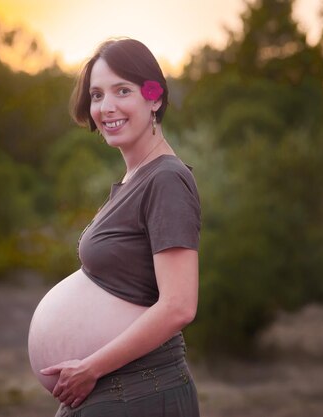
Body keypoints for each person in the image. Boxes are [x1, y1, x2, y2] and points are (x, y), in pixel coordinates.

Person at [36, 38, 201, 417]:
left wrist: (90, 367)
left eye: (122, 91)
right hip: (113, 392)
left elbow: (179, 306)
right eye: (96, 95)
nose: (105, 107)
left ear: (154, 97)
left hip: (141, 392)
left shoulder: (166, 180)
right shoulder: (137, 179)